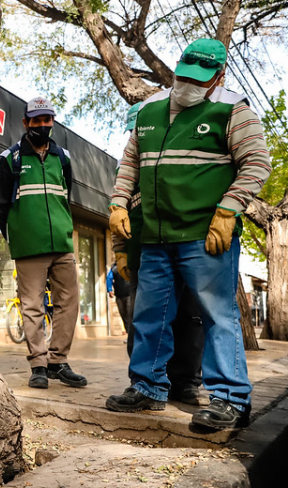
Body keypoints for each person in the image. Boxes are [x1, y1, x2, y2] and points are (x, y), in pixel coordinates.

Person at [105, 38, 272, 430]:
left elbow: (257, 164)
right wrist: (117, 203)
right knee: (150, 315)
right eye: (183, 76)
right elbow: (129, 164)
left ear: (219, 77)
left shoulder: (234, 110)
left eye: (199, 79)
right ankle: (148, 387)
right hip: (157, 237)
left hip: (206, 234)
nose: (188, 85)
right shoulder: (148, 110)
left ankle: (230, 398)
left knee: (217, 315)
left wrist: (229, 209)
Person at [112, 103, 206, 405]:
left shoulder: (178, 156)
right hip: (144, 249)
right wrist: (121, 252)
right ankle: (145, 383)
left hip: (187, 244)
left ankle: (186, 382)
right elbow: (118, 210)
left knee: (190, 317)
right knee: (147, 319)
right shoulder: (125, 168)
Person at [0, 95, 87, 390]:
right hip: (29, 246)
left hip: (62, 244)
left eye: (47, 120)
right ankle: (38, 363)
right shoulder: (10, 159)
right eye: (37, 120)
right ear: (26, 123)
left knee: (68, 303)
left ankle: (58, 361)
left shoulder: (64, 157)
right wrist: (15, 236)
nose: (43, 125)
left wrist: (65, 229)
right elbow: (1, 206)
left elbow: (66, 195)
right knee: (32, 306)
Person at [106, 261, 132, 334]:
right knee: (123, 315)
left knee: (129, 314)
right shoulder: (114, 268)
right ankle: (129, 333)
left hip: (129, 294)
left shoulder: (129, 265)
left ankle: (131, 335)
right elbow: (109, 278)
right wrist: (110, 290)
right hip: (119, 295)